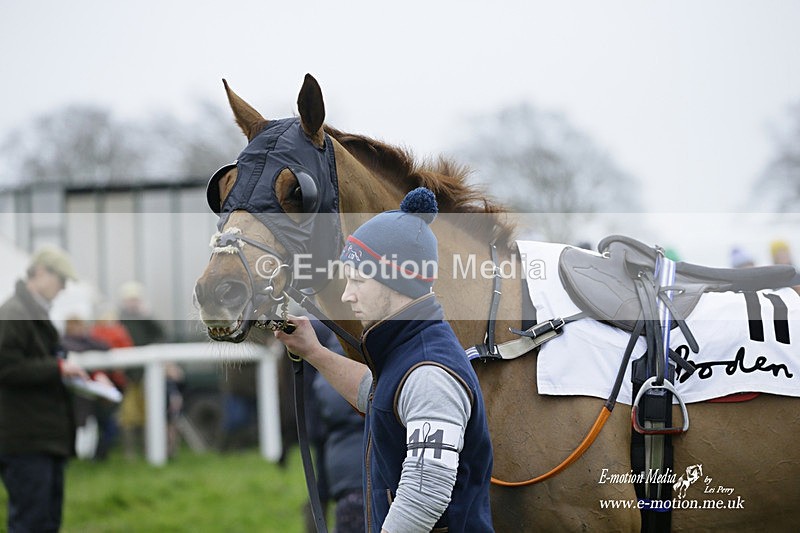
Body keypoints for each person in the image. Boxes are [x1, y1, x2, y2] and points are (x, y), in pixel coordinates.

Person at [274, 188, 494, 533]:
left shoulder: (428, 373)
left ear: (396, 281)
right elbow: (378, 394)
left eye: (358, 280)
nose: (347, 294)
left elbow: (425, 495)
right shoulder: (409, 350)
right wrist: (313, 351)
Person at [0, 245, 90, 532]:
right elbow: (6, 367)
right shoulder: (14, 312)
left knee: (45, 522)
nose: (63, 287)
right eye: (60, 279)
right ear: (39, 272)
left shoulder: (31, 311)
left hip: (40, 439)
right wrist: (57, 368)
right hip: (26, 441)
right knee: (31, 523)